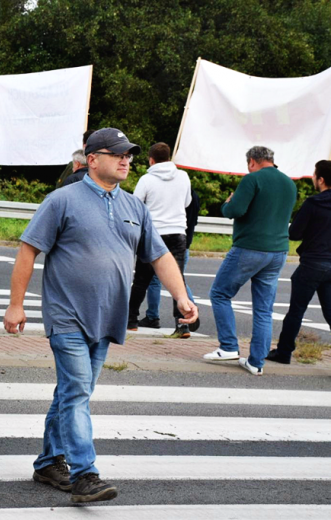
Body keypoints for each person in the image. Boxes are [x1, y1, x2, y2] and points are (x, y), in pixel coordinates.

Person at [4, 128, 197, 503]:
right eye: (118, 154)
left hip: (107, 317)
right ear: (93, 159)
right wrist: (16, 304)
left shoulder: (134, 207)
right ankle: (84, 474)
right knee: (77, 390)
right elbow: (28, 250)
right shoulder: (62, 200)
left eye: (130, 155)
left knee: (74, 392)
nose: (127, 160)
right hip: (67, 315)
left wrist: (181, 296)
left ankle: (47, 461)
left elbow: (159, 256)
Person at [204, 146, 297, 375]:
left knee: (220, 293)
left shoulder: (252, 179)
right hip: (278, 251)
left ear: (253, 161)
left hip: (250, 247)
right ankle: (256, 362)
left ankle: (228, 347)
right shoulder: (289, 183)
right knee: (264, 309)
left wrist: (227, 203)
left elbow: (234, 210)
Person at [127, 142, 197, 337]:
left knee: (141, 279)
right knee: (178, 280)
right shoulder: (183, 177)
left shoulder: (146, 179)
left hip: (153, 233)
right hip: (178, 233)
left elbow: (135, 205)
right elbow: (187, 202)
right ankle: (182, 325)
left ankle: (131, 320)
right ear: (169, 158)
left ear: (151, 159)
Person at [267, 160, 331, 364]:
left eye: (314, 175)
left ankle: (284, 352)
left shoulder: (314, 203)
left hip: (312, 263)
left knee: (296, 310)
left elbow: (294, 233)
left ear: (321, 180)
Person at [142, 188, 200, 328]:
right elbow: (194, 220)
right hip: (184, 241)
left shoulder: (169, 196)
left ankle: (153, 316)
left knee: (160, 280)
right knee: (178, 278)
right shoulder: (193, 196)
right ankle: (188, 312)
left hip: (165, 240)